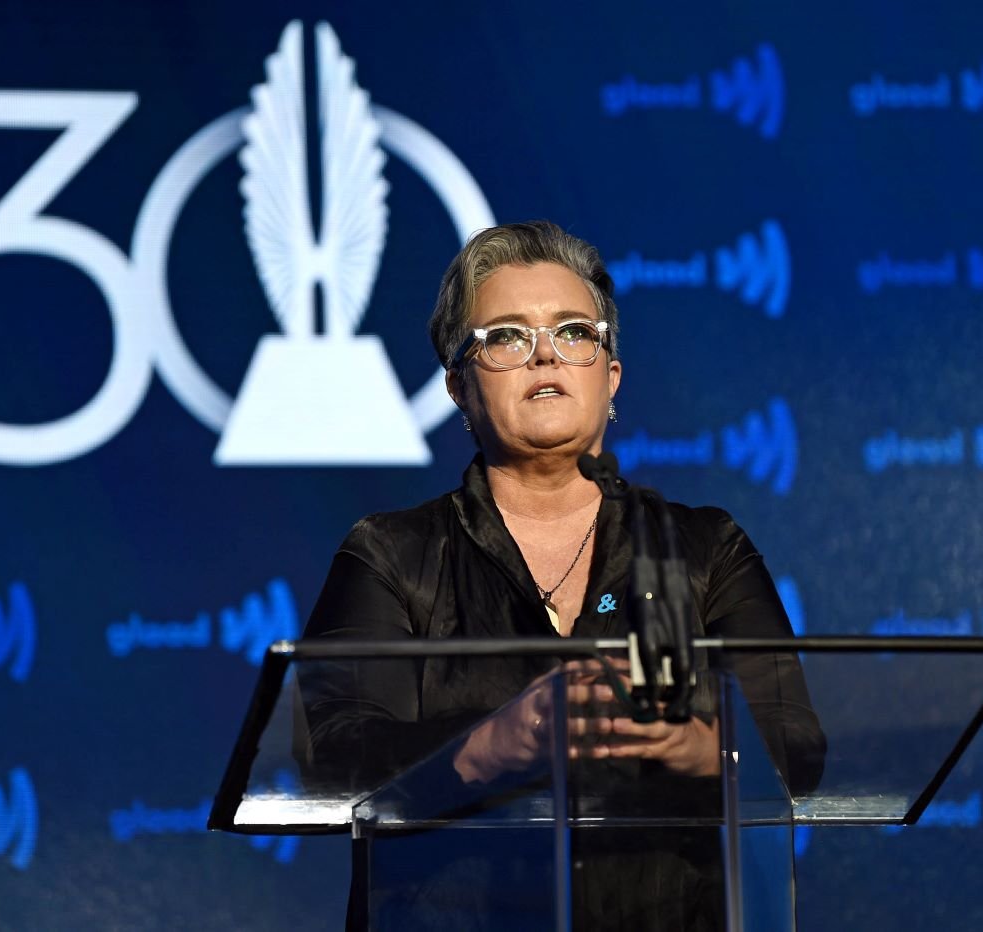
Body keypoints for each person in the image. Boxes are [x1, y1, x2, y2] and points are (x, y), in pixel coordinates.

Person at [300, 220, 824, 930]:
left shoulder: (702, 549)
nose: (544, 355)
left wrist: (706, 748)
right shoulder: (393, 554)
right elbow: (331, 763)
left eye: (574, 332)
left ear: (609, 375)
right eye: (507, 338)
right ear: (458, 385)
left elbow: (796, 746)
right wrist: (486, 745)